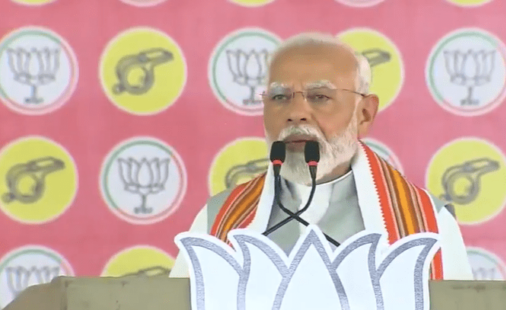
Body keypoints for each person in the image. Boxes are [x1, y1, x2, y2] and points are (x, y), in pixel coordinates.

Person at [169, 32, 473, 280]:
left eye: (319, 97)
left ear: (364, 114)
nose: (296, 113)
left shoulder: (427, 223)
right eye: (279, 97)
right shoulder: (218, 220)